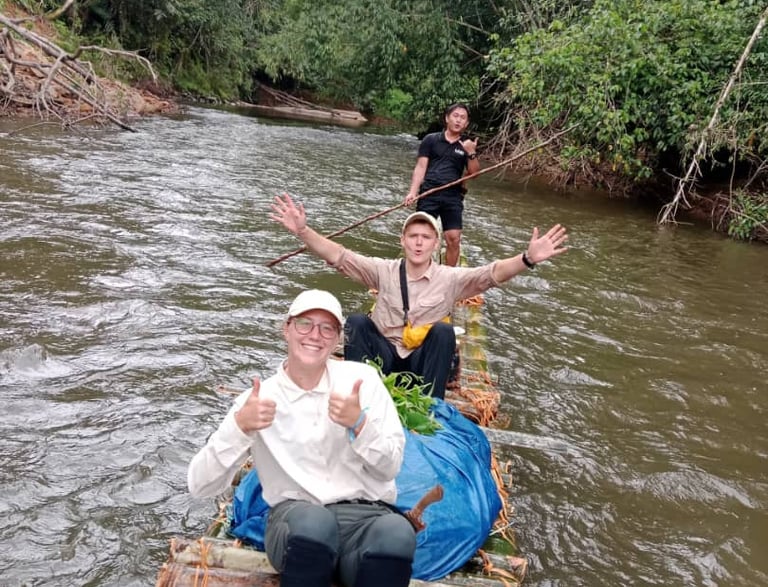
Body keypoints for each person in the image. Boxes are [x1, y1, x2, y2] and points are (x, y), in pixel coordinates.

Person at [187, 289, 416, 587]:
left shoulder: (362, 383)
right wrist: (240, 428)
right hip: (295, 522)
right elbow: (200, 485)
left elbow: (390, 468)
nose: (314, 335)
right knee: (314, 524)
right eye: (304, 324)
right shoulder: (258, 401)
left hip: (363, 518)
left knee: (397, 534)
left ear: (337, 339)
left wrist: (360, 425)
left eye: (326, 328)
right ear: (287, 329)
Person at [270, 193, 569, 401]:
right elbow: (339, 256)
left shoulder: (450, 278)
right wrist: (303, 231)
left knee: (442, 331)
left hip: (420, 365)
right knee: (359, 322)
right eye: (412, 236)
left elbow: (491, 274)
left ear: (436, 243)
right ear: (402, 241)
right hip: (383, 357)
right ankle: (358, 397)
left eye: (425, 238)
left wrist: (527, 258)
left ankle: (431, 406)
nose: (418, 242)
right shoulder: (383, 270)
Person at [404, 103, 480, 266]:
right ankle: (417, 268)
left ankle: (448, 276)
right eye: (455, 116)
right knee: (422, 235)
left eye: (463, 118)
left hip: (452, 196)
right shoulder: (430, 140)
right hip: (428, 193)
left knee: (453, 238)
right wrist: (413, 192)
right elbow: (421, 167)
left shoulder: (466, 145)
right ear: (447, 118)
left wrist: (471, 152)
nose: (458, 120)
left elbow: (474, 173)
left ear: (466, 124)